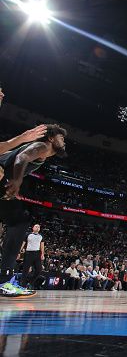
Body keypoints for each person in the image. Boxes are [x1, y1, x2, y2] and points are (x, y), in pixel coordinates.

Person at [0, 124, 67, 298]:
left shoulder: (40, 151)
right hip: (3, 180)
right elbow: (21, 158)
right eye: (61, 138)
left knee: (18, 221)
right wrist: (16, 182)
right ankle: (4, 280)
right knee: (19, 222)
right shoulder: (42, 146)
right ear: (51, 138)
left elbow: (8, 155)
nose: (64, 142)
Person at [18, 224, 44, 289]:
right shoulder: (28, 234)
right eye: (36, 226)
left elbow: (42, 246)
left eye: (39, 227)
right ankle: (23, 285)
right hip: (29, 253)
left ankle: (31, 282)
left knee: (39, 269)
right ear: (33, 228)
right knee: (25, 270)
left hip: (37, 253)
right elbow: (23, 243)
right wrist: (19, 251)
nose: (37, 228)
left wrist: (42, 254)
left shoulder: (41, 236)